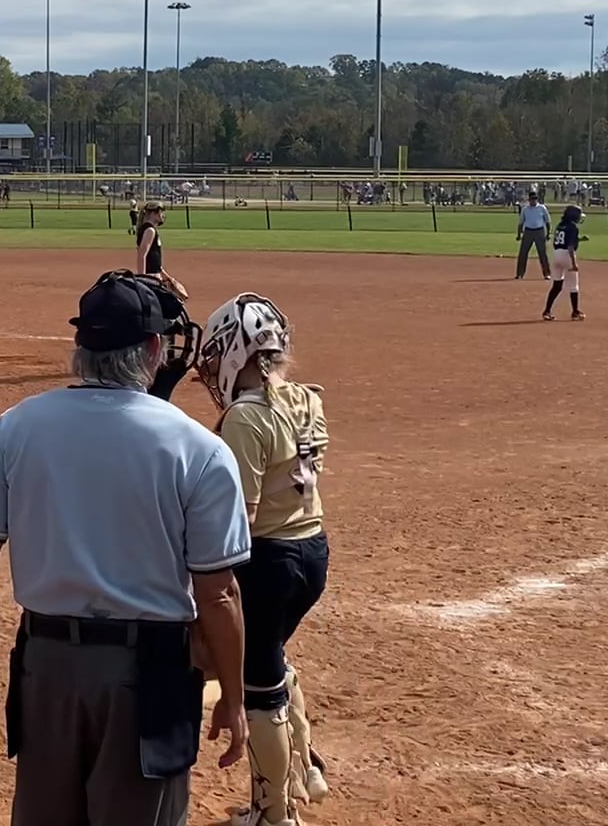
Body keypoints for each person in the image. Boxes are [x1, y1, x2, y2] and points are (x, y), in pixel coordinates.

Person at [0, 270, 251, 825]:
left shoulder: (14, 428)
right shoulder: (200, 449)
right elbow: (219, 593)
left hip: (46, 666)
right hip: (150, 674)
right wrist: (233, 699)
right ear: (154, 349)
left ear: (80, 349)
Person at [198, 294, 332, 826]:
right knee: (270, 659)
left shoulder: (246, 416)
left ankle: (274, 814)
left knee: (258, 684)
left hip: (269, 560)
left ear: (239, 351)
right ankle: (304, 774)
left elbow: (242, 517)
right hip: (312, 548)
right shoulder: (306, 398)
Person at [136, 202, 189, 303]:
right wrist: (142, 278)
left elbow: (155, 260)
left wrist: (168, 278)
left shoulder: (150, 229)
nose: (163, 215)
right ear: (153, 214)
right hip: (151, 277)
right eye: (160, 212)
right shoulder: (150, 230)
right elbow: (142, 255)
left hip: (154, 276)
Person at [544, 204, 585, 322]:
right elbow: (570, 247)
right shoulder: (573, 227)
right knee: (573, 286)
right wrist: (574, 263)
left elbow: (562, 240)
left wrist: (579, 239)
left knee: (556, 286)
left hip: (556, 254)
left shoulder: (560, 225)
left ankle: (547, 311)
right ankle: (575, 312)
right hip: (567, 255)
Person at [515, 190, 552, 280]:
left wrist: (548, 233)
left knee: (542, 253)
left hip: (539, 231)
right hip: (528, 231)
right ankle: (520, 274)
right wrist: (519, 234)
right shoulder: (525, 209)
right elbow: (521, 222)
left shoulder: (542, 208)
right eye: (532, 199)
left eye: (535, 199)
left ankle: (547, 273)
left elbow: (547, 221)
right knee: (523, 253)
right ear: (529, 200)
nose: (533, 201)